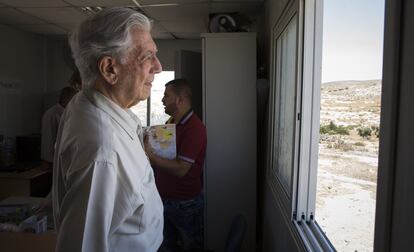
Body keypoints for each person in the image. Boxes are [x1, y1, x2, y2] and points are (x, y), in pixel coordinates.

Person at [52, 7, 163, 252]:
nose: (158, 67)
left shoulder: (86, 101)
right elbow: (81, 246)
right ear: (110, 69)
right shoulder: (103, 152)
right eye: (147, 57)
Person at [145, 79, 207, 251]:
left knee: (191, 247)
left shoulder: (195, 128)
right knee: (164, 245)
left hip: (185, 203)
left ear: (179, 100)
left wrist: (150, 157)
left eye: (166, 95)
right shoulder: (171, 122)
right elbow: (166, 155)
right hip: (164, 199)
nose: (163, 100)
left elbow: (181, 169)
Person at [41, 86, 78, 165]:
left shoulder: (56, 112)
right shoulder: (56, 114)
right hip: (52, 158)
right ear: (66, 98)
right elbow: (52, 138)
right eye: (73, 99)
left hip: (52, 157)